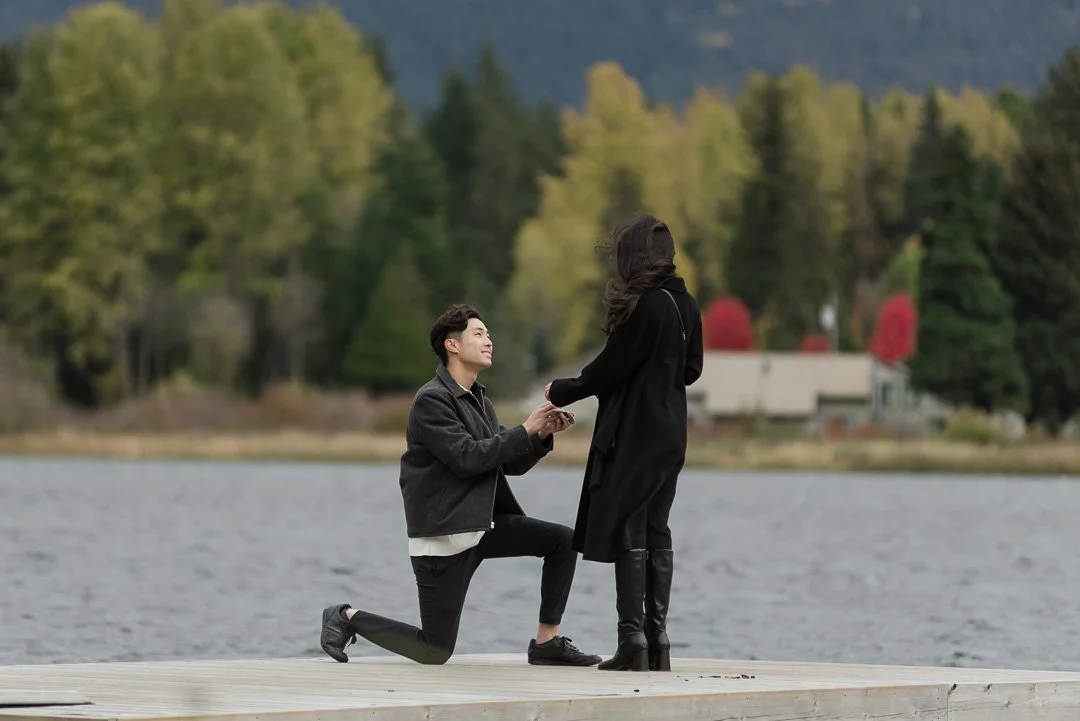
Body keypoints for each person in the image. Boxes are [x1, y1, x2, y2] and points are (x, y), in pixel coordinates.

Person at [319, 304, 602, 668]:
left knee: (562, 540)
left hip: (482, 525)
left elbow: (509, 463)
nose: (489, 341)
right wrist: (525, 429)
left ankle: (546, 643)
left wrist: (541, 435)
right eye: (479, 334)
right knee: (434, 650)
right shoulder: (432, 400)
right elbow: (468, 458)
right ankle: (344, 616)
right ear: (452, 346)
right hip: (444, 536)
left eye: (488, 334)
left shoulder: (479, 400)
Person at [545, 215, 704, 672]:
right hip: (673, 431)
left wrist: (564, 389)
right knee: (657, 525)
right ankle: (658, 639)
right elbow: (691, 371)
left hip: (637, 429)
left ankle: (632, 639)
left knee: (631, 525)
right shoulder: (686, 305)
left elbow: (611, 367)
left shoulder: (647, 304)